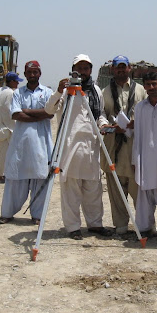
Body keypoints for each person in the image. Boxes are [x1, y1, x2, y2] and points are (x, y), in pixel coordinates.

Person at [45, 54, 113, 240]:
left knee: (93, 190)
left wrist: (104, 125)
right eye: (79, 68)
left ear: (90, 70)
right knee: (71, 191)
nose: (82, 72)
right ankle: (73, 227)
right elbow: (49, 109)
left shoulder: (96, 91)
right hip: (70, 148)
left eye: (86, 68)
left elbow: (100, 115)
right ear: (73, 70)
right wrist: (59, 91)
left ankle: (95, 224)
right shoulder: (66, 91)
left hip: (91, 147)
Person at [0, 62, 55, 225]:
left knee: (41, 177)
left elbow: (50, 114)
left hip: (41, 143)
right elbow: (16, 115)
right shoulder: (18, 93)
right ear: (25, 74)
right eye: (29, 72)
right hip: (21, 143)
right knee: (15, 178)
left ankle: (37, 215)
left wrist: (27, 111)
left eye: (35, 72)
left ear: (40, 73)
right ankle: (7, 213)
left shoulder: (48, 92)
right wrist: (41, 114)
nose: (32, 75)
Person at [98, 55, 147, 236]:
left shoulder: (141, 90)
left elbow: (149, 111)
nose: (120, 70)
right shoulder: (104, 92)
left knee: (139, 191)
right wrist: (108, 127)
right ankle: (121, 225)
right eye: (117, 67)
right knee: (116, 189)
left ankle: (144, 224)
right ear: (112, 70)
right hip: (114, 147)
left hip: (135, 147)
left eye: (123, 67)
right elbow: (101, 114)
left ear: (129, 69)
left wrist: (136, 122)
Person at [132, 71, 157, 238]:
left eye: (154, 84)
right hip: (145, 160)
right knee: (144, 199)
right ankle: (144, 229)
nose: (151, 87)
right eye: (147, 84)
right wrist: (136, 160)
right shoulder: (140, 107)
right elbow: (138, 135)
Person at [0, 72, 22, 182]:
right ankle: (0, 175)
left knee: (3, 152)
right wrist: (14, 125)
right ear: (11, 81)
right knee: (4, 154)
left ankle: (5, 173)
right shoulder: (11, 93)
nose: (17, 83)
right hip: (7, 128)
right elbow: (9, 111)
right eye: (16, 81)